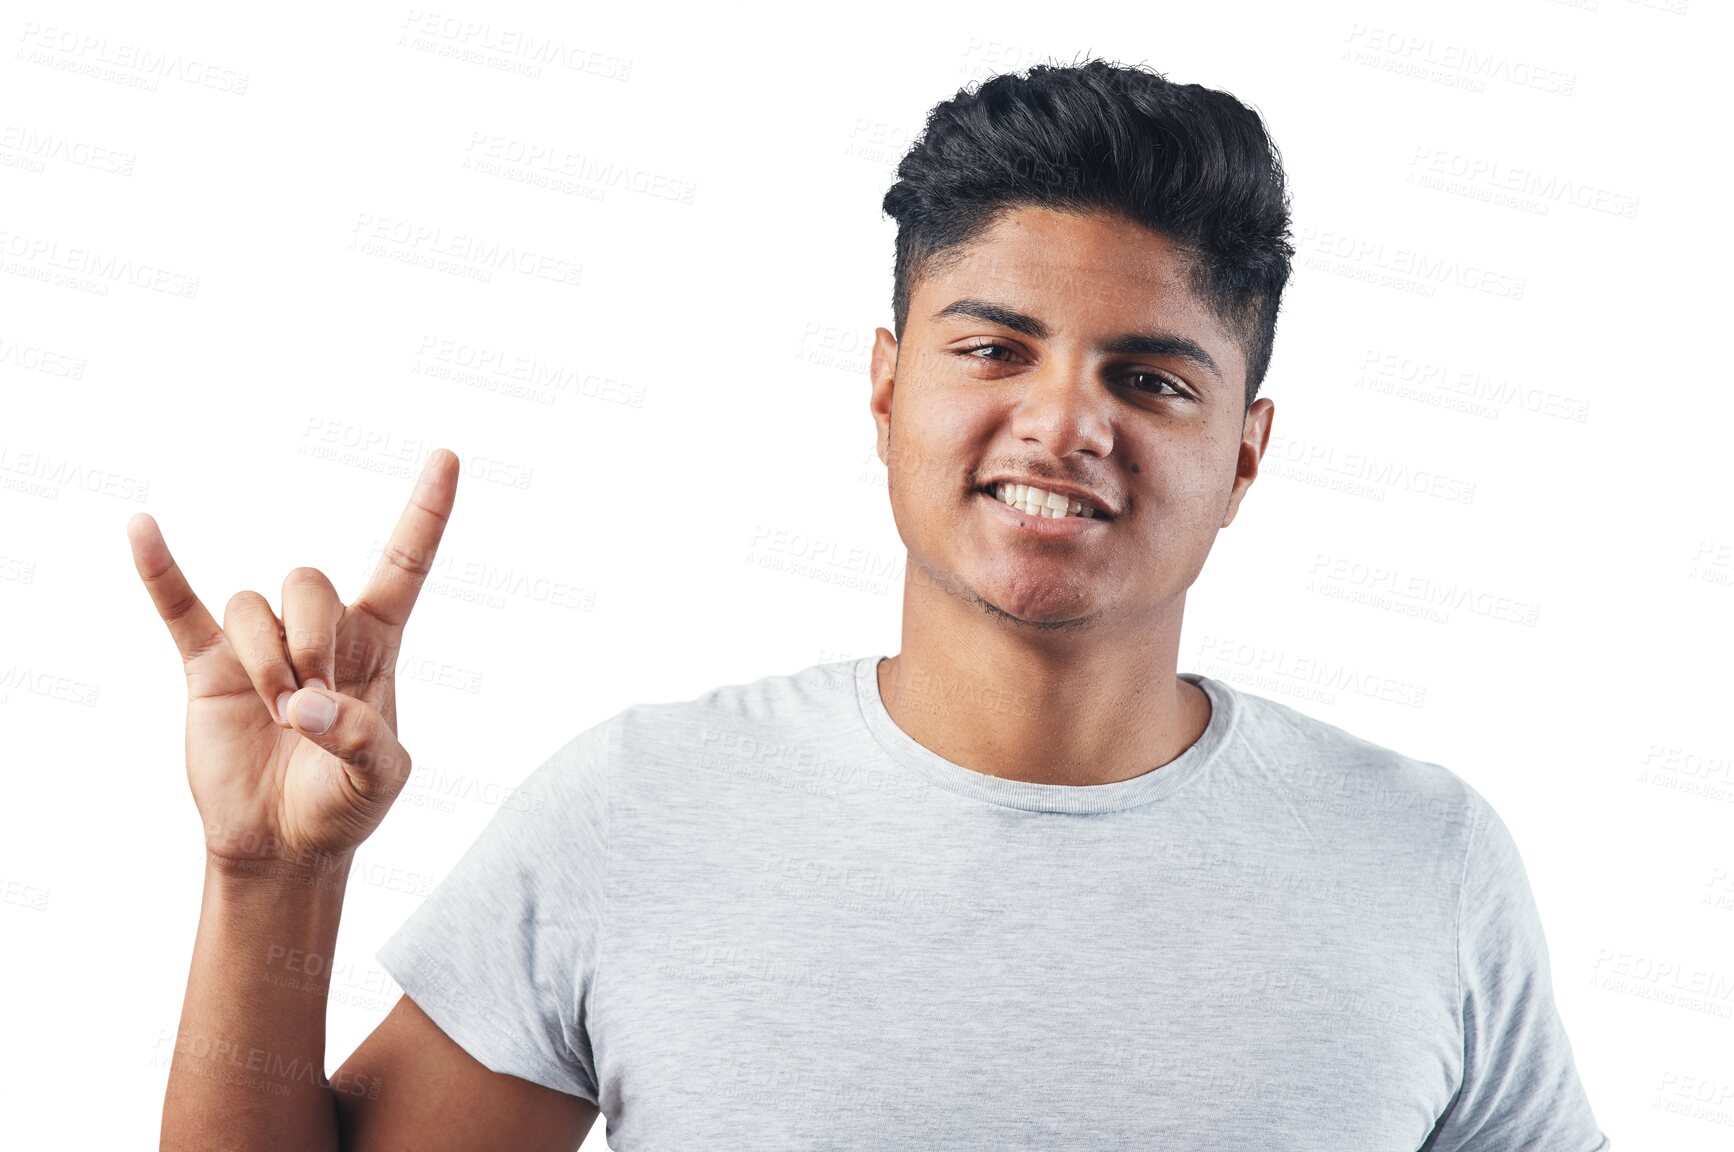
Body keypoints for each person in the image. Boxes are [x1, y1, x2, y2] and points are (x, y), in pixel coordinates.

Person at [141, 59, 1609, 1150]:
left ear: (1244, 451)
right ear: (886, 386)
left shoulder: (1424, 861)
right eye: (994, 348)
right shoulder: (644, 807)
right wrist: (268, 882)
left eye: (1147, 379)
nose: (1061, 422)